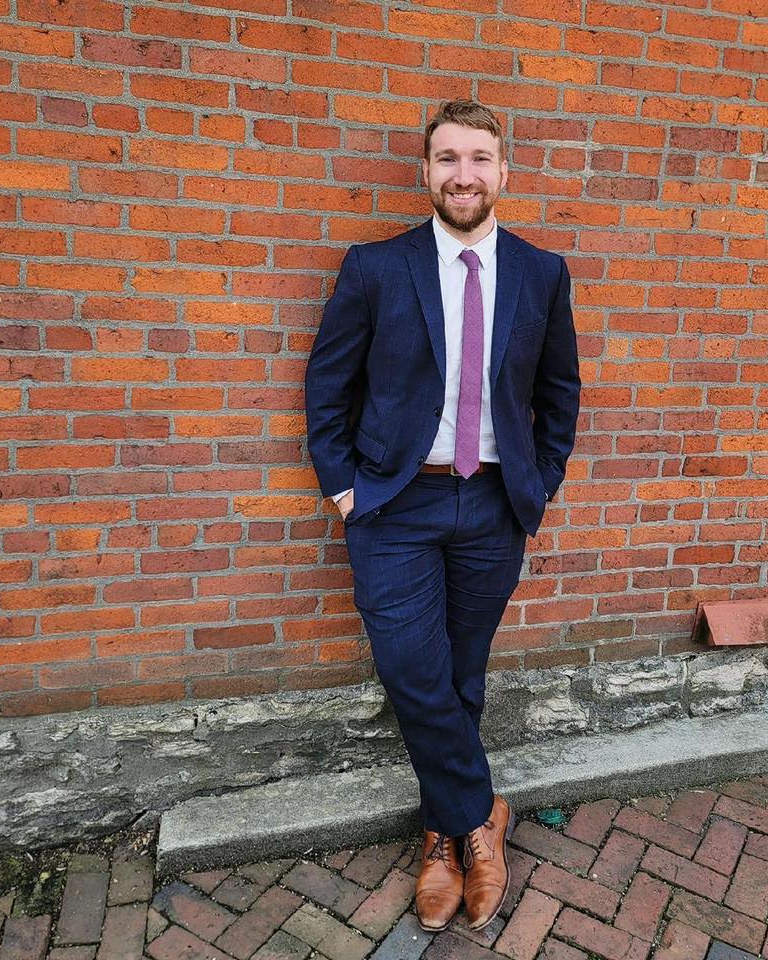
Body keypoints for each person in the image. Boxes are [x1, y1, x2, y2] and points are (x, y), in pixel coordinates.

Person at [305, 99, 580, 932]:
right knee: (411, 668)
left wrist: (543, 482)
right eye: (448, 158)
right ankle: (478, 816)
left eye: (479, 158)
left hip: (493, 503)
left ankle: (438, 833)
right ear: (425, 172)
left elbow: (560, 394)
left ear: (505, 171)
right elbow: (327, 385)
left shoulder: (541, 272)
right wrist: (344, 487)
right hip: (394, 502)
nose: (464, 175)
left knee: (462, 672)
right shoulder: (374, 267)